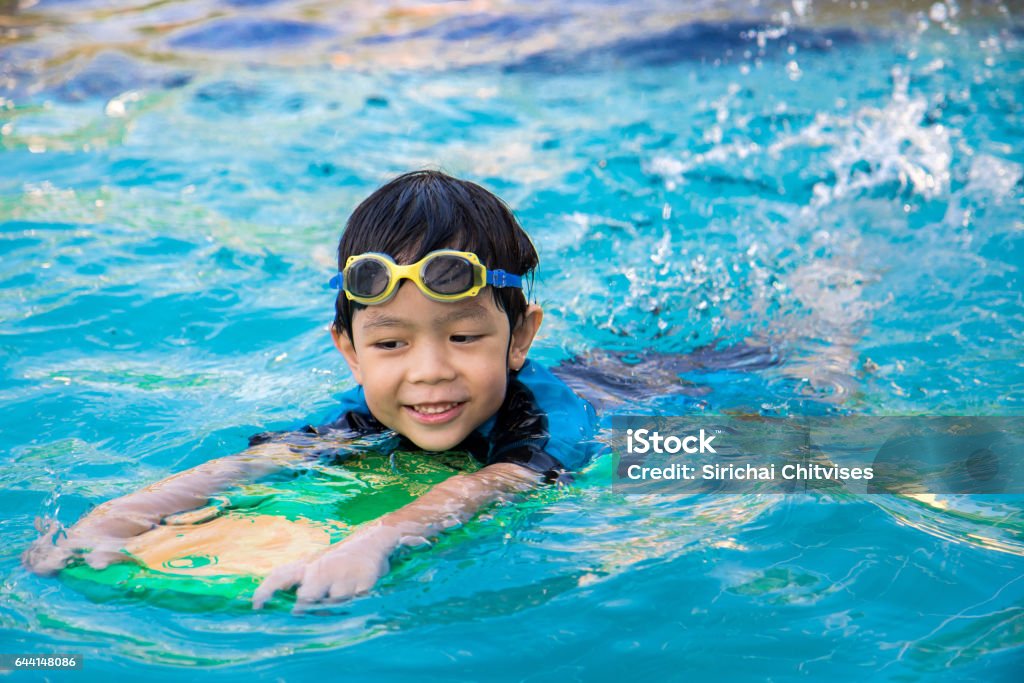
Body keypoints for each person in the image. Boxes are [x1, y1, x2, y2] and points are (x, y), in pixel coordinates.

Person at [22, 170, 602, 609]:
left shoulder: (547, 418)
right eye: (391, 345)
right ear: (349, 352)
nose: (428, 371)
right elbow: (259, 462)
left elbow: (497, 483)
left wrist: (376, 540)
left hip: (634, 385)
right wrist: (118, 517)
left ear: (520, 336)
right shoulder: (371, 411)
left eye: (465, 335)